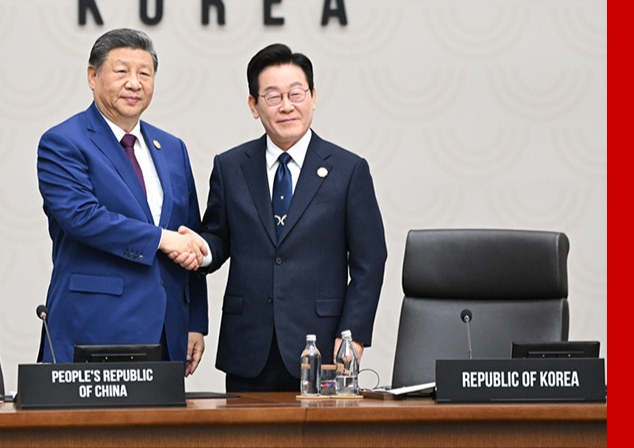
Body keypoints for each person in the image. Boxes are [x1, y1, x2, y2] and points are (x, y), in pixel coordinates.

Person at [200, 43, 388, 392]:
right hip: (249, 348)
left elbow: (370, 261)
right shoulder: (230, 167)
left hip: (322, 346)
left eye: (296, 93)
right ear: (254, 105)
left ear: (313, 97)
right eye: (273, 96)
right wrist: (198, 250)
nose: (286, 106)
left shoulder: (348, 170)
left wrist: (353, 336)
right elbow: (218, 237)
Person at [36, 28, 208, 376]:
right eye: (121, 71)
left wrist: (195, 322)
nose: (134, 83)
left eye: (144, 73)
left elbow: (188, 236)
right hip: (95, 326)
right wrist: (161, 239)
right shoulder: (63, 142)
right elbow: (82, 217)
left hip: (167, 331)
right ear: (92, 76)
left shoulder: (172, 148)